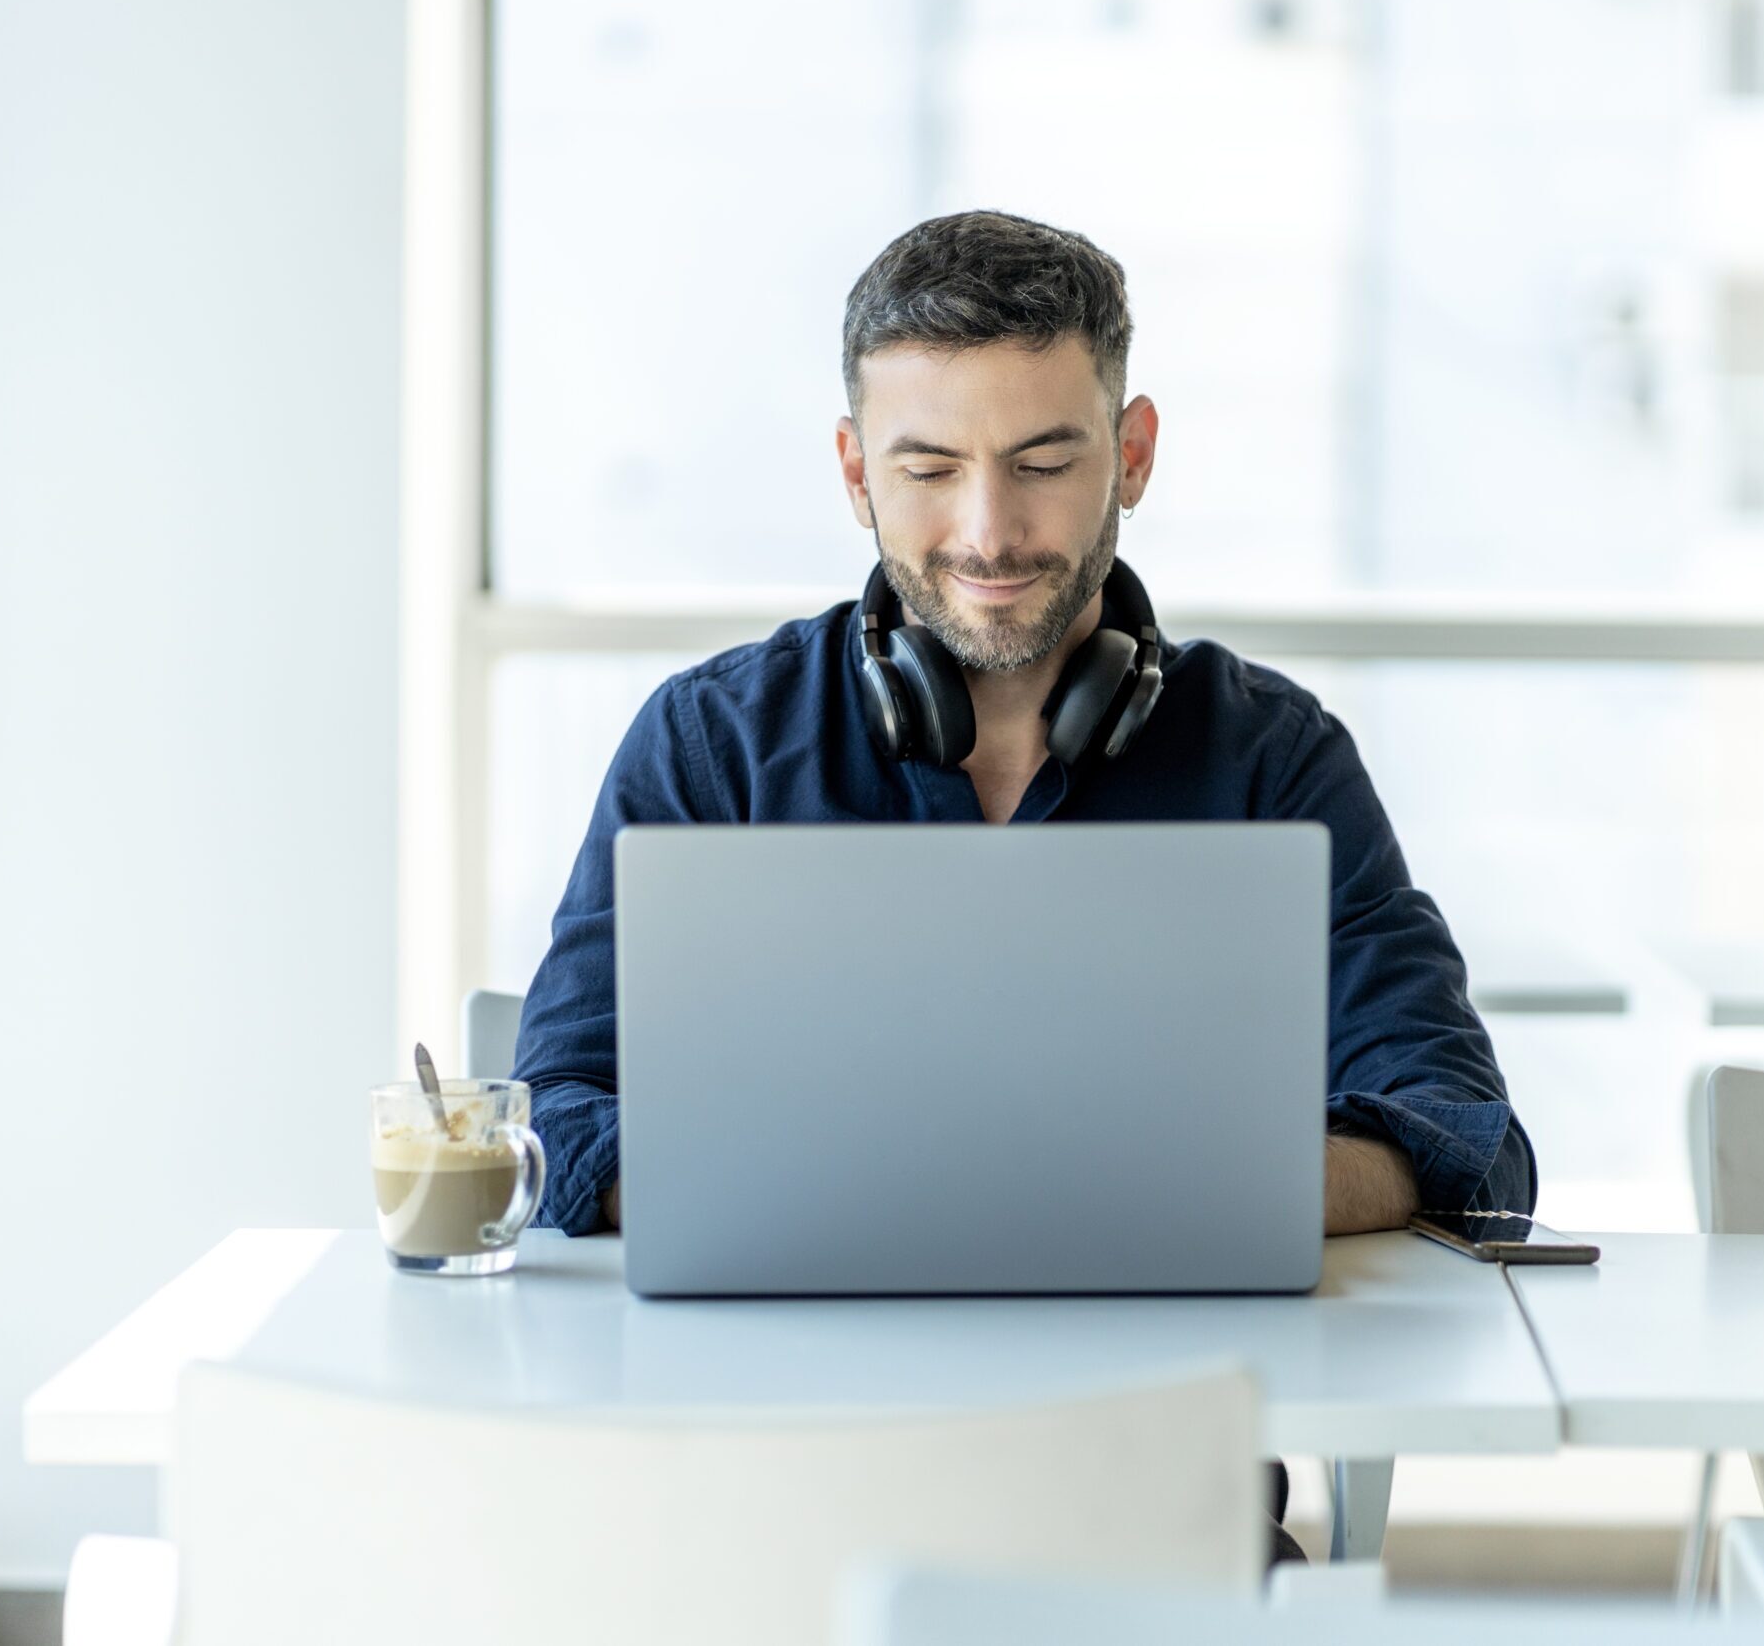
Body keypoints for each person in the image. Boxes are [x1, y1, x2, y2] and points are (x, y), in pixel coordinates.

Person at [510, 210, 1535, 1565]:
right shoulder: (711, 745)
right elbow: (554, 1121)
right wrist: (941, 1195)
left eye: (1045, 462)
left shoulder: (1271, 760)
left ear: (1135, 453)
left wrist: (1150, 1192)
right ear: (852, 472)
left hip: (1156, 1526)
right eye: (928, 468)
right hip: (771, 1521)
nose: (988, 532)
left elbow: (1465, 1138)